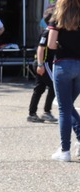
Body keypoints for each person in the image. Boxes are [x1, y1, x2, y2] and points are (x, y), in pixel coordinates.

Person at [47, 0, 80, 161]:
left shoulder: (57, 17)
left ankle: (65, 150)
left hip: (63, 64)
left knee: (64, 109)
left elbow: (51, 44)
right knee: (68, 106)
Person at [28, 9, 57, 124]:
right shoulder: (47, 32)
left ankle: (32, 113)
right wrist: (40, 64)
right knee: (55, 86)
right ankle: (46, 112)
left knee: (39, 88)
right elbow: (41, 48)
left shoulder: (50, 32)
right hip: (44, 63)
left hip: (44, 63)